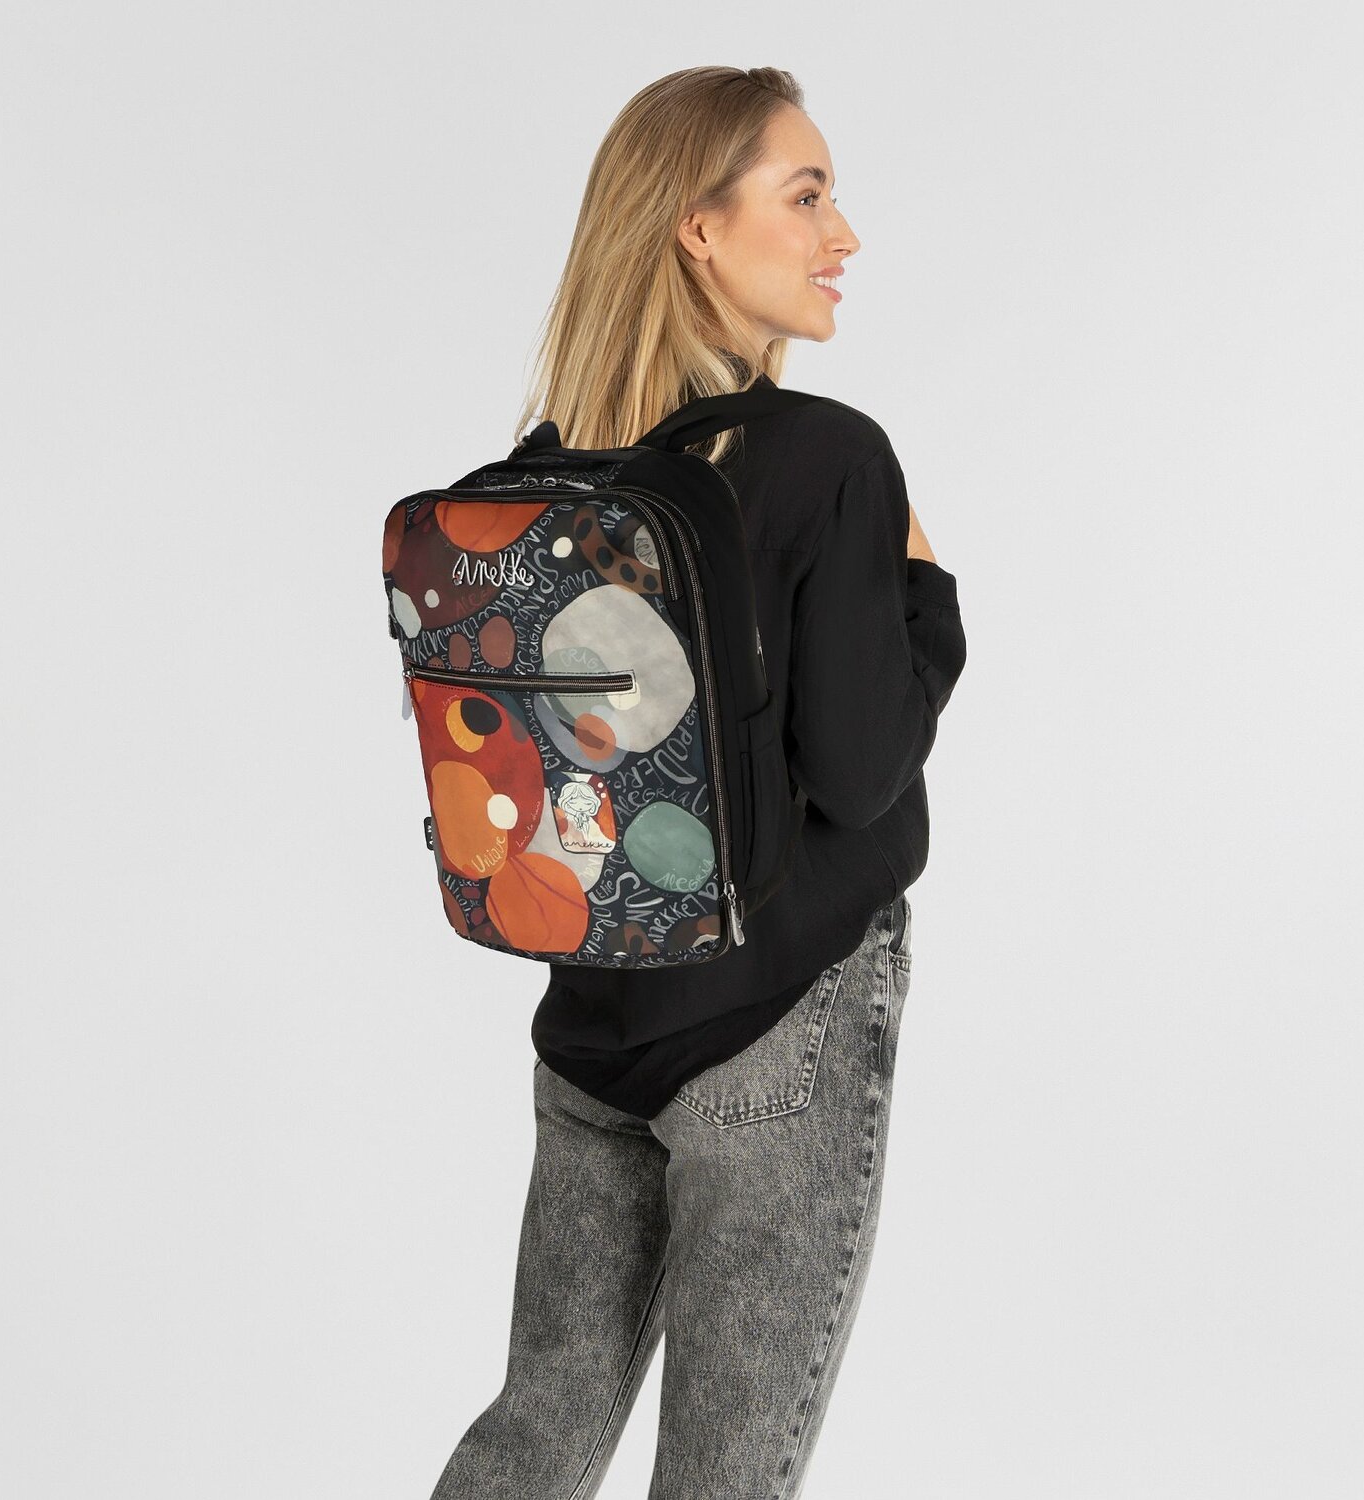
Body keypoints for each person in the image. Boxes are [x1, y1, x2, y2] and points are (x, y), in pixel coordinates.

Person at [430, 66, 968, 1500]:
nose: (843, 234)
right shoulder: (828, 458)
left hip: (593, 1026)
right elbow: (861, 773)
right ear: (699, 227)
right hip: (774, 1027)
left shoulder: (542, 475)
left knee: (533, 1438)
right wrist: (928, 595)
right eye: (808, 195)